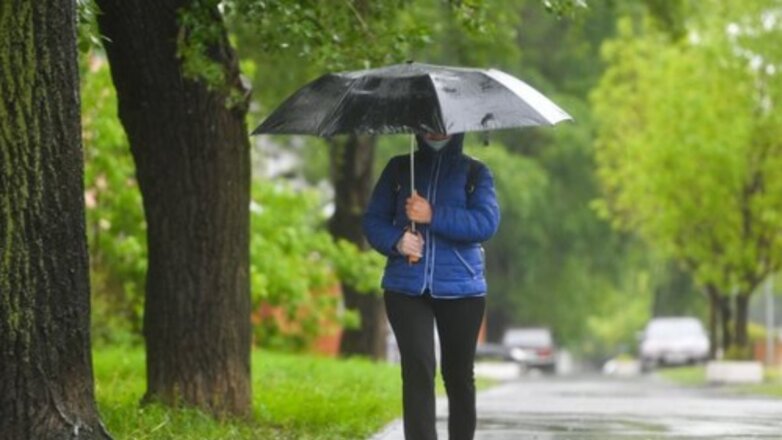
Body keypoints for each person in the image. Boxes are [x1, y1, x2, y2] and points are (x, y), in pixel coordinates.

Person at [363, 132, 500, 440]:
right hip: (406, 287)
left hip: (462, 288)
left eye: (442, 123)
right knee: (418, 368)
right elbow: (373, 221)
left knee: (458, 375)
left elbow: (485, 223)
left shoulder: (475, 172)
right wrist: (398, 241)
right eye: (427, 122)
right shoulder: (399, 169)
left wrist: (432, 214)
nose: (435, 130)